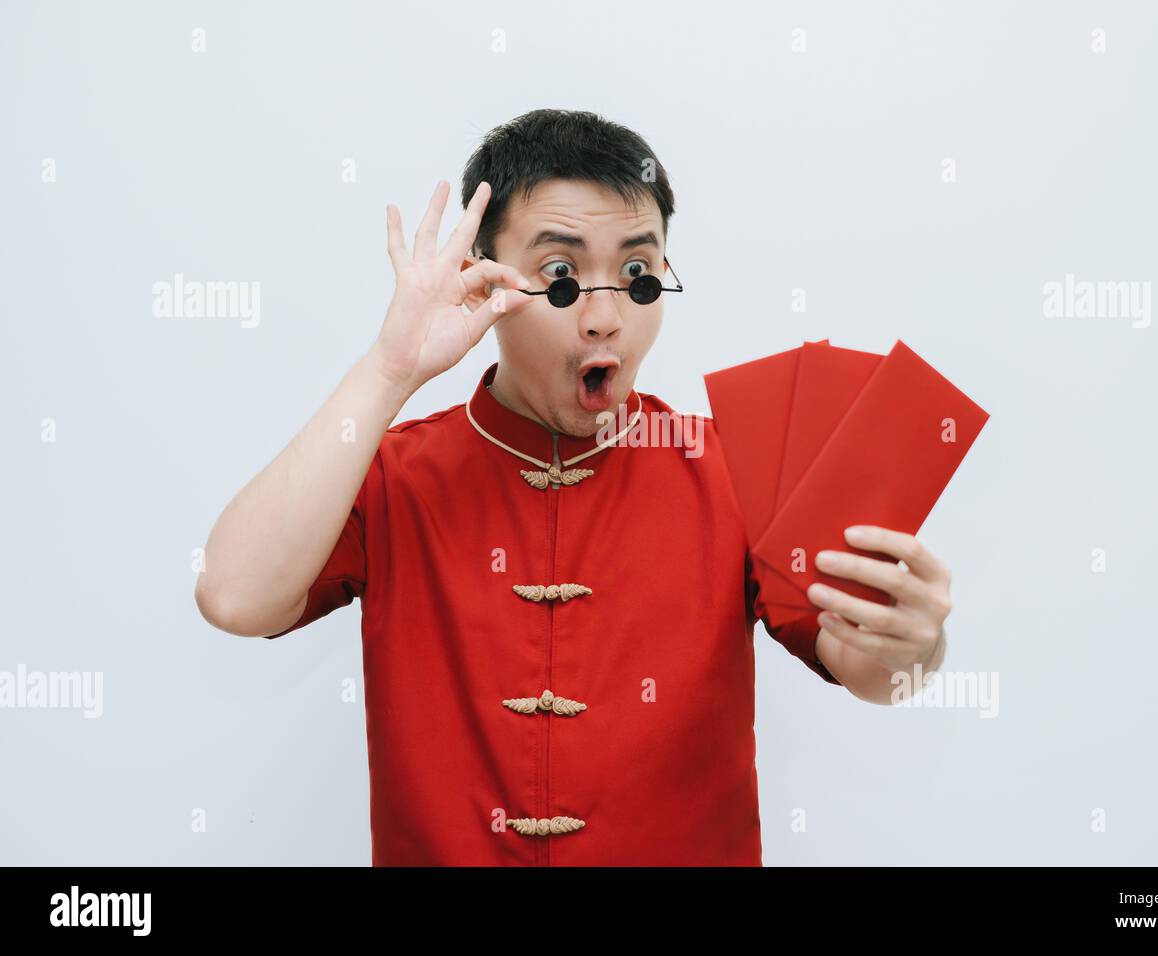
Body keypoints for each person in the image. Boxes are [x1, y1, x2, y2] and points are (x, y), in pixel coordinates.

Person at [195, 108, 953, 866]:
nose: (604, 318)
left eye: (636, 274)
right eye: (559, 275)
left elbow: (871, 673)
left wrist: (913, 644)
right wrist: (391, 370)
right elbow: (233, 596)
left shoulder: (732, 470)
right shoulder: (394, 475)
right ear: (484, 279)